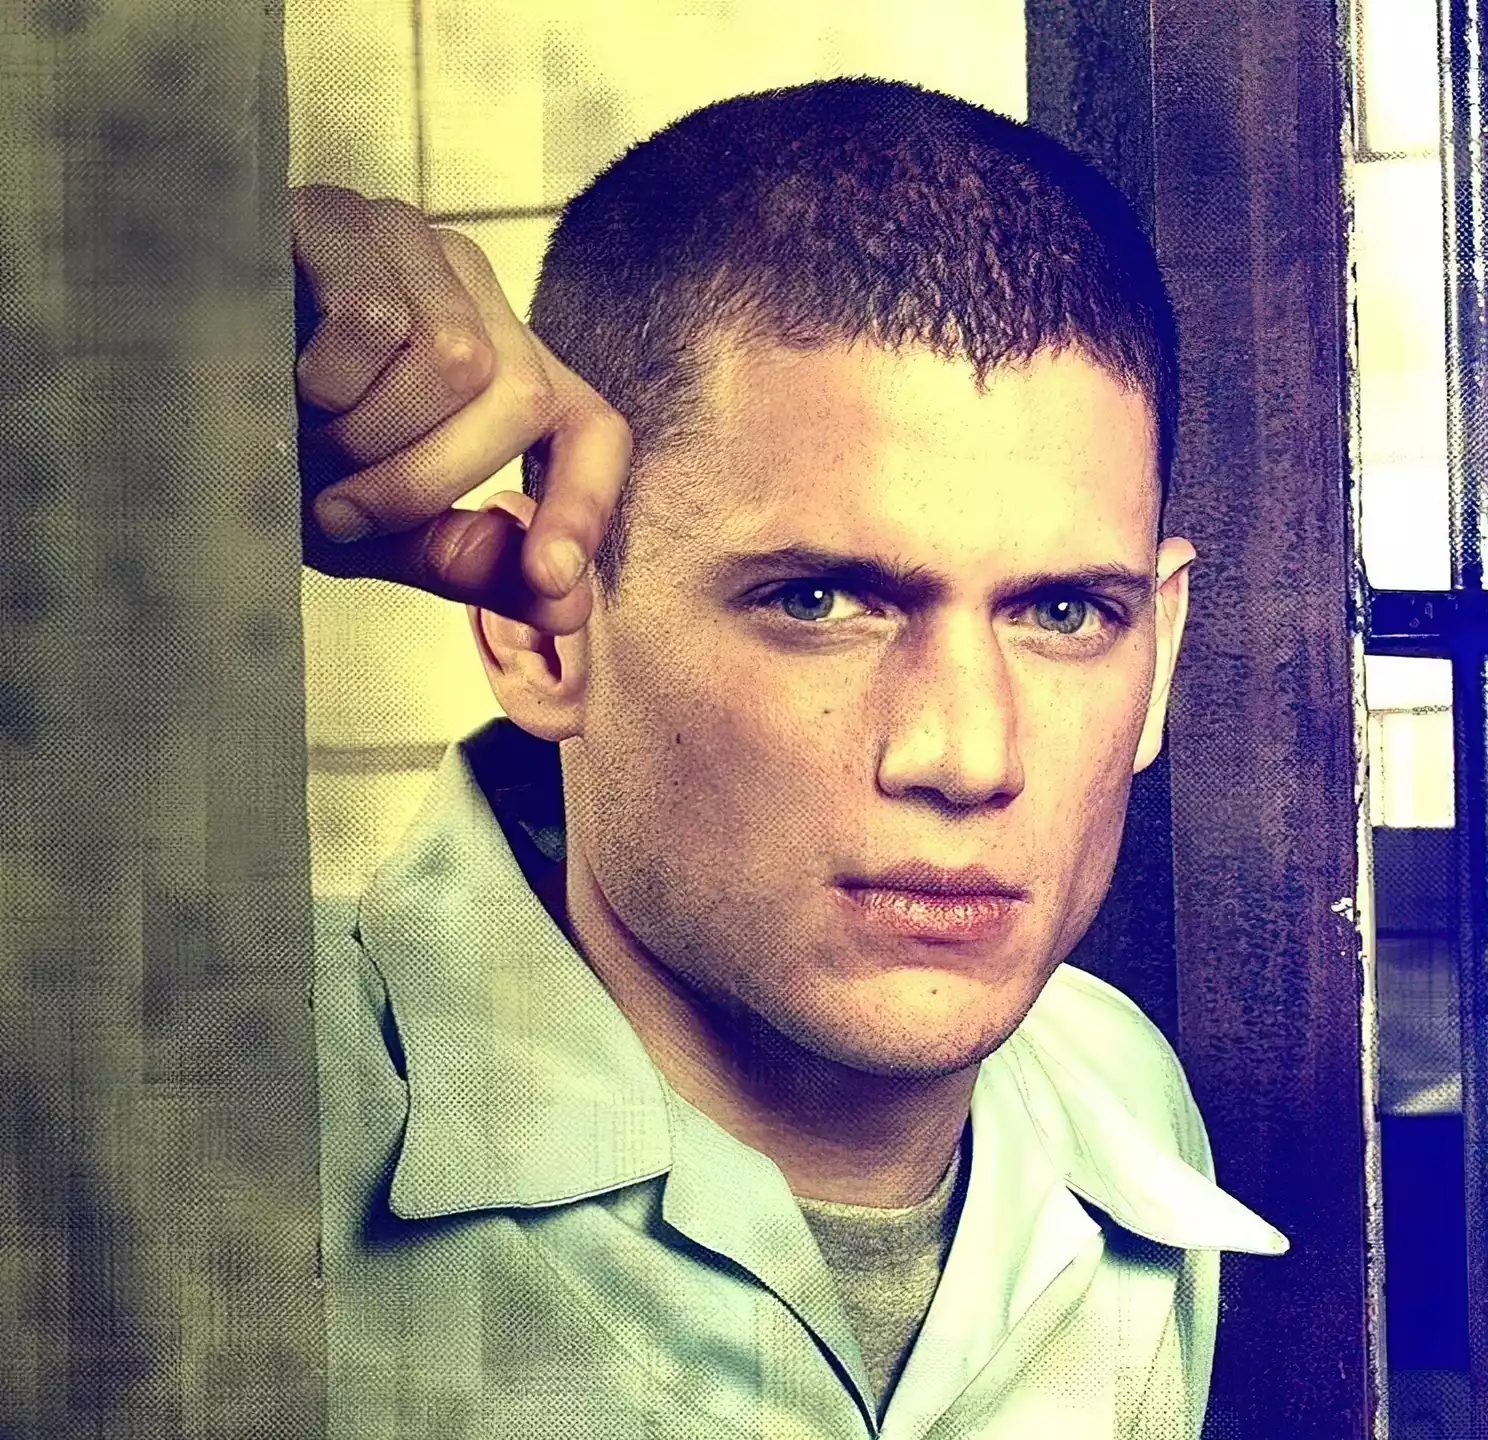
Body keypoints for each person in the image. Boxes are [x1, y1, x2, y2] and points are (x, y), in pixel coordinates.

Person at [299, 78, 1286, 1440]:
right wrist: (114, 375)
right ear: (541, 634)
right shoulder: (215, 1109)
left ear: (1159, 653)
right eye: (819, 601)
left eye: (1065, 614)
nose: (967, 755)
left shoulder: (1120, 1098)